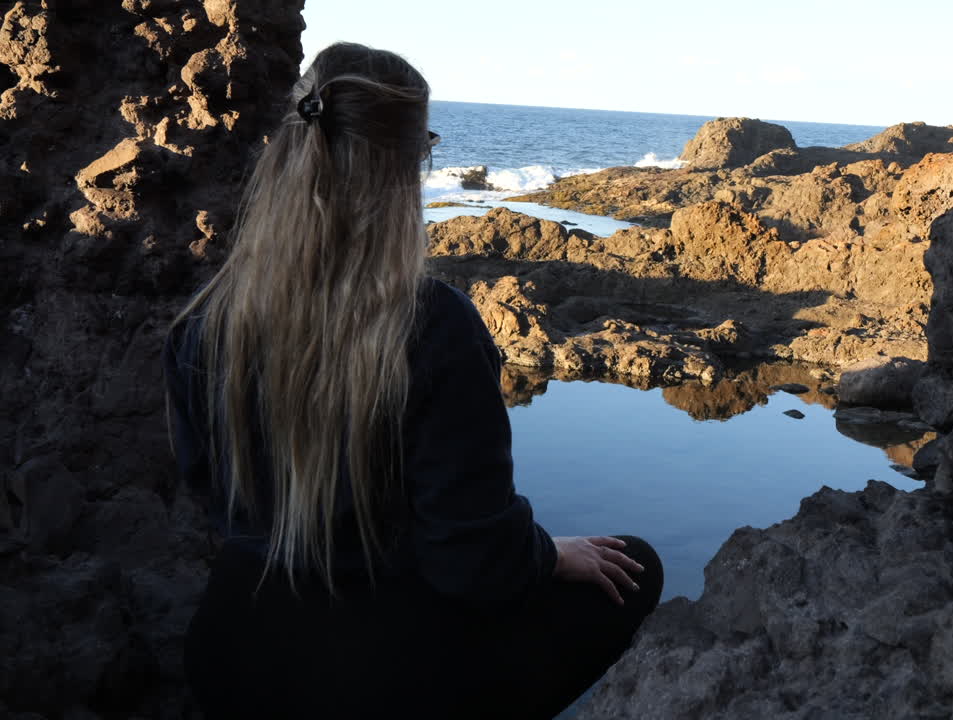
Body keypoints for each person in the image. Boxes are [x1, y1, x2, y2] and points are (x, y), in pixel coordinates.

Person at [164, 42, 663, 719]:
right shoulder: (432, 327)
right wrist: (545, 555)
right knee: (634, 567)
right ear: (410, 164)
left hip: (230, 656)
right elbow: (473, 564)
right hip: (376, 682)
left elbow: (205, 490)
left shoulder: (206, 322)